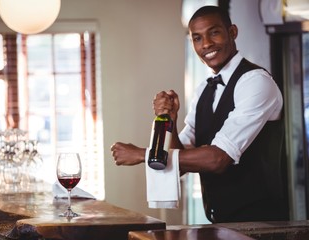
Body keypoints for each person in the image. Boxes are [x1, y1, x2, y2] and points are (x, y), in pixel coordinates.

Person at [110, 5, 289, 223]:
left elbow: (218, 158)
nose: (206, 44)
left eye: (214, 32)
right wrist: (171, 121)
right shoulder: (204, 89)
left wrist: (142, 154)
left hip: (263, 224)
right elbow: (179, 164)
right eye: (197, 38)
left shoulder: (255, 82)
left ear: (232, 32)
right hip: (221, 222)